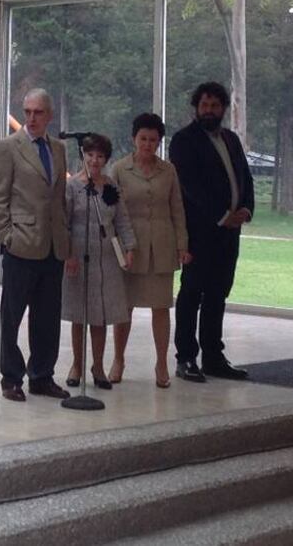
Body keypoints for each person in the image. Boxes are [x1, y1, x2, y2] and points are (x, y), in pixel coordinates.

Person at [0, 88, 71, 402]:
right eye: (27, 112)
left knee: (47, 316)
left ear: (49, 116)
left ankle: (42, 375)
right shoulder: (8, 147)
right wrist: (7, 237)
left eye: (38, 113)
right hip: (21, 244)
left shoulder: (59, 149)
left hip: (53, 245)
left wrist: (66, 240)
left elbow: (59, 197)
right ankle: (11, 377)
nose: (32, 118)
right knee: (12, 315)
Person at [169, 82, 254, 382]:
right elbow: (190, 187)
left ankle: (213, 357)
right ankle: (186, 358)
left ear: (223, 109)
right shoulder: (183, 141)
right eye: (204, 105)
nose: (209, 110)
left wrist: (246, 210)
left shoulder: (231, 139)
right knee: (192, 294)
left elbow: (245, 177)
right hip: (199, 233)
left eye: (215, 106)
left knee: (218, 294)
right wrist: (222, 216)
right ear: (196, 107)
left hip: (228, 237)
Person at [109, 113, 190, 389]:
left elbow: (177, 208)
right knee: (125, 308)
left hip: (162, 246)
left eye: (153, 140)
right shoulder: (119, 169)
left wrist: (183, 244)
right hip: (131, 247)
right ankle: (118, 359)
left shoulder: (168, 171)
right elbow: (112, 212)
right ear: (134, 139)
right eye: (143, 138)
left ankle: (162, 363)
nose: (147, 144)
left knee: (161, 307)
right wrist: (118, 246)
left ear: (159, 142)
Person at [62, 134, 136, 390]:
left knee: (100, 315)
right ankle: (76, 364)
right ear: (83, 155)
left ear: (106, 159)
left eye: (100, 156)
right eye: (90, 155)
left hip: (106, 260)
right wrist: (68, 255)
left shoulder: (111, 187)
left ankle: (98, 366)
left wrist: (129, 248)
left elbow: (122, 220)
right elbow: (65, 223)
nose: (95, 160)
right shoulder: (73, 186)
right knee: (79, 314)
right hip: (79, 257)